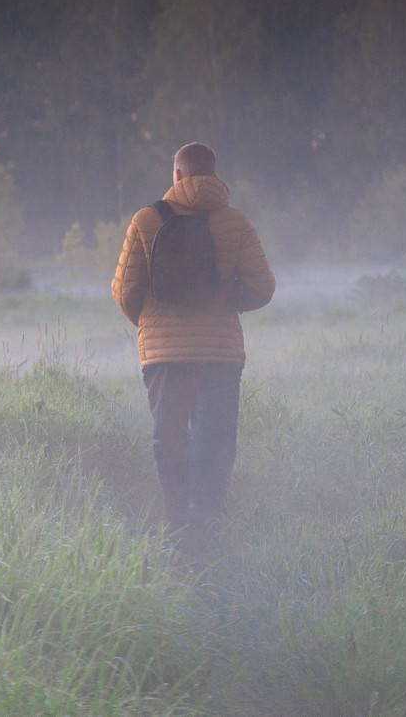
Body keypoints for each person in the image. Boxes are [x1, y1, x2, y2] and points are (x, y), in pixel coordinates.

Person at [111, 142, 275, 554]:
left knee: (170, 437)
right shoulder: (236, 222)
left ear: (178, 175)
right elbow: (262, 287)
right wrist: (226, 303)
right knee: (215, 439)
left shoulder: (146, 220)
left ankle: (177, 527)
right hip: (220, 354)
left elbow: (126, 291)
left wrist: (149, 325)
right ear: (213, 174)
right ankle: (209, 526)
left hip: (164, 356)